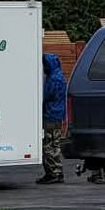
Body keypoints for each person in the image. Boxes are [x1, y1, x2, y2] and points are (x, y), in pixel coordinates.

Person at [36, 52, 68, 184]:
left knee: (48, 146)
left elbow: (44, 96)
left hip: (50, 115)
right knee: (56, 145)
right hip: (58, 115)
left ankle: (52, 173)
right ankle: (58, 172)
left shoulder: (52, 79)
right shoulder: (60, 76)